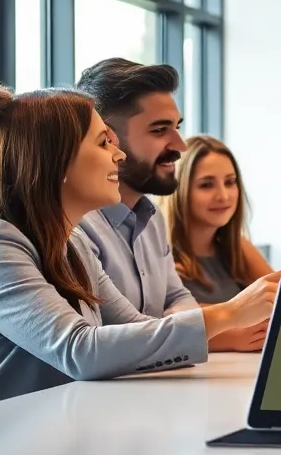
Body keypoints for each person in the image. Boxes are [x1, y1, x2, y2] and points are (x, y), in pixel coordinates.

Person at [0, 78, 281, 419]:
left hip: (49, 428)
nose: (119, 156)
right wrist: (228, 315)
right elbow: (81, 351)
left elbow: (139, 329)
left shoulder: (74, 243)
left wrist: (225, 321)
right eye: (104, 142)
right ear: (57, 161)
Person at [73, 58, 196, 319]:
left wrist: (181, 324)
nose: (180, 145)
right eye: (160, 130)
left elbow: (178, 297)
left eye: (177, 127)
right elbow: (109, 335)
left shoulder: (152, 219)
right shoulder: (75, 227)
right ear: (108, 138)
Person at [160, 136, 276, 351]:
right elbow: (157, 329)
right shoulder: (157, 256)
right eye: (206, 185)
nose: (223, 196)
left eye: (230, 182)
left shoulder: (239, 248)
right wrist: (231, 335)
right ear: (179, 191)